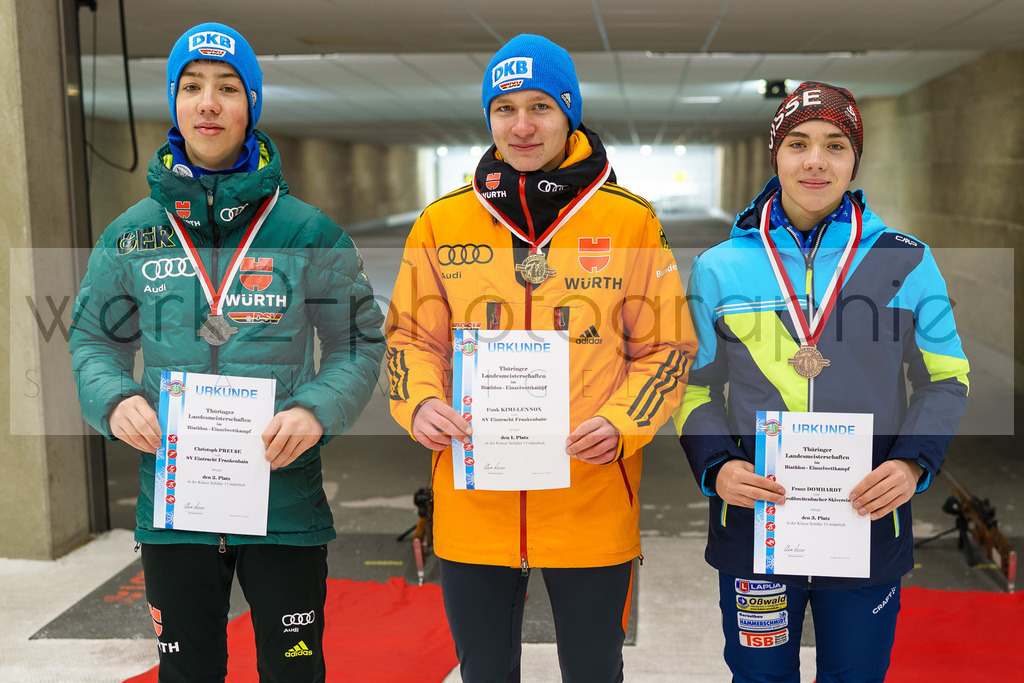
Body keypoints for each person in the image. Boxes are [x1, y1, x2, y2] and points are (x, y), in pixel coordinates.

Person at [69, 22, 385, 682]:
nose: (207, 103)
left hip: (283, 501)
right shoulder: (130, 237)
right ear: (175, 103)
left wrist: (316, 409)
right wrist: (116, 398)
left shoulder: (307, 231)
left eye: (226, 87)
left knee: (293, 671)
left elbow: (358, 340)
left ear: (253, 105)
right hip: (176, 506)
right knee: (187, 673)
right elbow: (93, 338)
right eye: (191, 87)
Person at [385, 33, 697, 682]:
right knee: (486, 672)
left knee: (592, 669)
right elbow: (410, 338)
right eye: (504, 108)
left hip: (590, 498)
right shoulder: (442, 222)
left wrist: (623, 422)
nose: (521, 125)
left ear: (569, 112)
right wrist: (418, 401)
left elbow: (666, 348)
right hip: (473, 501)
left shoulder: (630, 221)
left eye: (540, 107)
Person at [674, 81, 970, 682]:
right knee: (759, 677)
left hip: (866, 518)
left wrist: (913, 464)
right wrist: (717, 465)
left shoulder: (906, 260)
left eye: (835, 144)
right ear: (775, 154)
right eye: (799, 143)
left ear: (854, 159)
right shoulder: (719, 267)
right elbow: (692, 386)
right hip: (758, 522)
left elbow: (947, 380)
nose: (815, 160)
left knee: (855, 676)